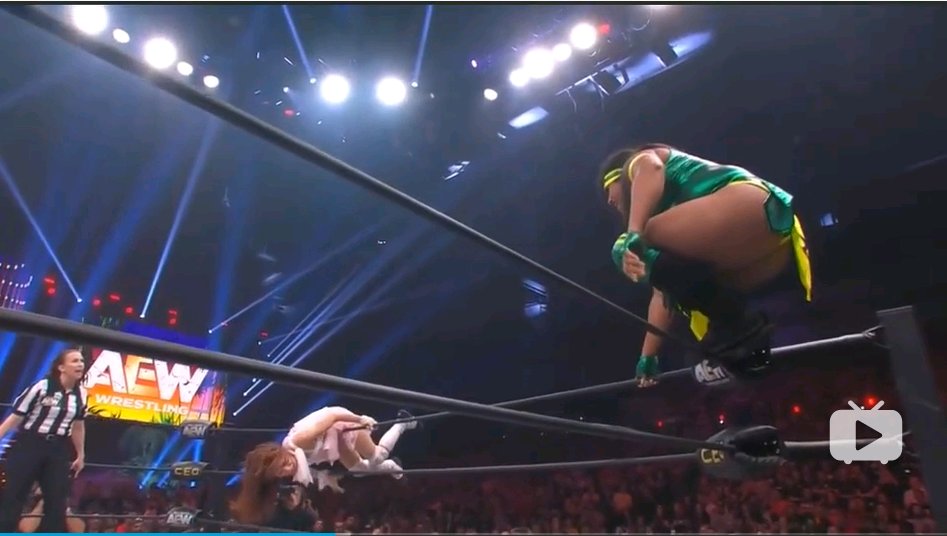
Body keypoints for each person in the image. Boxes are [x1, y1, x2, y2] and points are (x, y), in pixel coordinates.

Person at [599, 144, 812, 384]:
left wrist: (634, 232)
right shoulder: (673, 222)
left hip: (747, 204)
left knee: (623, 246)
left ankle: (736, 325)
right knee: (665, 269)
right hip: (767, 244)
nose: (609, 200)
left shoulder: (639, 161)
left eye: (609, 188)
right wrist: (648, 357)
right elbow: (663, 294)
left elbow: (651, 166)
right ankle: (737, 341)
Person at [230, 406, 418, 525]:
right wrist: (325, 478)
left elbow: (332, 414)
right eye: (281, 472)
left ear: (281, 454)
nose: (288, 469)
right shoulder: (295, 460)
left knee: (377, 456)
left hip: (342, 424)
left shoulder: (300, 441)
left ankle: (402, 422)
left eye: (285, 464)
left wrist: (360, 419)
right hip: (335, 436)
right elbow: (309, 469)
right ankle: (393, 467)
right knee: (359, 469)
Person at [0, 348, 87, 532]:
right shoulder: (42, 387)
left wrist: (80, 454)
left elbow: (78, 425)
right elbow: (16, 417)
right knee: (13, 494)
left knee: (57, 499)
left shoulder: (81, 393)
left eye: (81, 360)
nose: (80, 364)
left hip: (58, 448)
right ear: (61, 367)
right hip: (30, 443)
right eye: (74, 361)